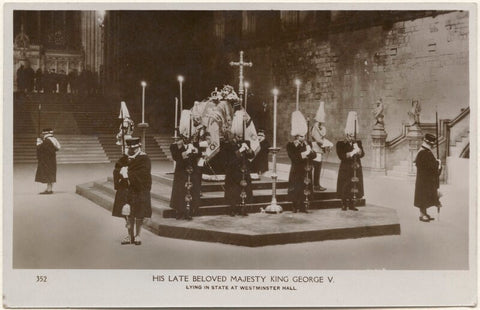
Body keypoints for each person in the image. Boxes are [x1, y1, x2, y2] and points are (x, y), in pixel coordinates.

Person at [169, 110, 202, 220]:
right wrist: (185, 153)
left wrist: (195, 150)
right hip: (181, 170)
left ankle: (190, 210)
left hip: (192, 169)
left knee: (192, 189)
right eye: (185, 134)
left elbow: (200, 153)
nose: (187, 136)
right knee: (180, 190)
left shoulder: (194, 143)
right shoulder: (175, 145)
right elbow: (176, 158)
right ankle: (180, 210)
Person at [224, 110, 255, 216]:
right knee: (233, 191)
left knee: (244, 189)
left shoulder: (246, 142)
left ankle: (243, 207)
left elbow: (251, 156)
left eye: (241, 136)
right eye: (238, 137)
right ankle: (232, 209)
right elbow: (230, 159)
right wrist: (240, 151)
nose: (240, 138)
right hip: (233, 171)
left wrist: (249, 151)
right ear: (234, 135)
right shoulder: (228, 144)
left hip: (243, 169)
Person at [123, 137, 152, 245]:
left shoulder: (144, 158)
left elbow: (144, 173)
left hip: (140, 189)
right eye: (131, 148)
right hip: (128, 189)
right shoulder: (126, 157)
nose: (133, 150)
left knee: (139, 212)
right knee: (128, 212)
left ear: (139, 146)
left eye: (135, 148)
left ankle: (138, 235)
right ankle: (129, 235)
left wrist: (128, 174)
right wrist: (120, 172)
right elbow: (117, 169)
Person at [287, 111, 316, 213]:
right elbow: (294, 158)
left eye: (304, 136)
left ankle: (304, 206)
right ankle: (295, 206)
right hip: (296, 169)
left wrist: (310, 151)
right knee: (296, 188)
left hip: (305, 170)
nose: (303, 138)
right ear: (296, 136)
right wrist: (305, 153)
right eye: (301, 136)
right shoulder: (291, 145)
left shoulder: (307, 144)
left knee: (305, 187)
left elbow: (314, 156)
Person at [336, 111, 365, 211]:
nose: (352, 138)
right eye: (350, 136)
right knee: (345, 185)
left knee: (354, 184)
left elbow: (363, 154)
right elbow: (341, 156)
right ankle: (344, 203)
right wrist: (352, 152)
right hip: (346, 167)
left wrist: (359, 150)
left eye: (353, 136)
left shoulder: (358, 142)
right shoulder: (341, 143)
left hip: (356, 166)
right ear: (347, 134)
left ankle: (353, 203)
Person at [414, 133, 442, 222]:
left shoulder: (426, 151)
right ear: (429, 143)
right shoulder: (423, 152)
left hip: (426, 179)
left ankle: (424, 213)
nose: (433, 146)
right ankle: (422, 214)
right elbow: (427, 166)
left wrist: (436, 162)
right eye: (432, 144)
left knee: (426, 196)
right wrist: (437, 164)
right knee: (423, 196)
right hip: (423, 180)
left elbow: (430, 164)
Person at [311, 101, 333, 192]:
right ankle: (315, 184)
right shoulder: (314, 128)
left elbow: (322, 139)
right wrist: (326, 144)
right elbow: (317, 139)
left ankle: (317, 184)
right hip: (315, 150)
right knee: (315, 168)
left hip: (320, 150)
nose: (321, 123)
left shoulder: (322, 128)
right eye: (319, 121)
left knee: (318, 168)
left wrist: (326, 146)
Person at [111, 152, 132, 245]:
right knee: (128, 214)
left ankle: (131, 234)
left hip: (126, 192)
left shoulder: (119, 167)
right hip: (126, 192)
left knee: (128, 215)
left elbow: (116, 185)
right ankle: (131, 234)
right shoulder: (120, 167)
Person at [35, 128, 61, 194]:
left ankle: (49, 190)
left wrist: (38, 143)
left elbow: (41, 149)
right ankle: (49, 188)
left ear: (45, 134)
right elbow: (56, 149)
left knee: (48, 174)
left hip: (47, 161)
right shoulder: (53, 139)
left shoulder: (47, 141)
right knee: (50, 173)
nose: (42, 135)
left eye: (43, 134)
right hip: (52, 160)